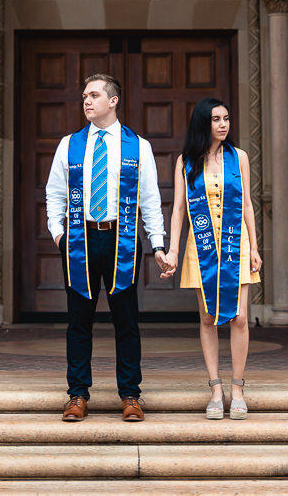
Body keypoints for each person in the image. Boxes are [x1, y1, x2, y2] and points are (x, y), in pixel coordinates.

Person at [45, 72, 170, 423]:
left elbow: (150, 199)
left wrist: (157, 244)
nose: (86, 101)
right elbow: (55, 192)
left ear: (113, 101)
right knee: (78, 321)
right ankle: (77, 395)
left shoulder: (137, 146)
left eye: (94, 95)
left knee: (126, 321)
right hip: (79, 240)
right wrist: (58, 232)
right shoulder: (69, 144)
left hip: (123, 239)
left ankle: (130, 395)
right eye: (84, 96)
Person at [161, 97, 261, 419]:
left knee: (240, 317)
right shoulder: (186, 161)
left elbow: (247, 204)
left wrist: (256, 248)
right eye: (216, 119)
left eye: (226, 118)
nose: (223, 124)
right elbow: (178, 209)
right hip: (202, 248)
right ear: (203, 123)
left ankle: (238, 389)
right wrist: (173, 249)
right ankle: (215, 388)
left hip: (236, 244)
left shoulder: (239, 158)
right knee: (207, 318)